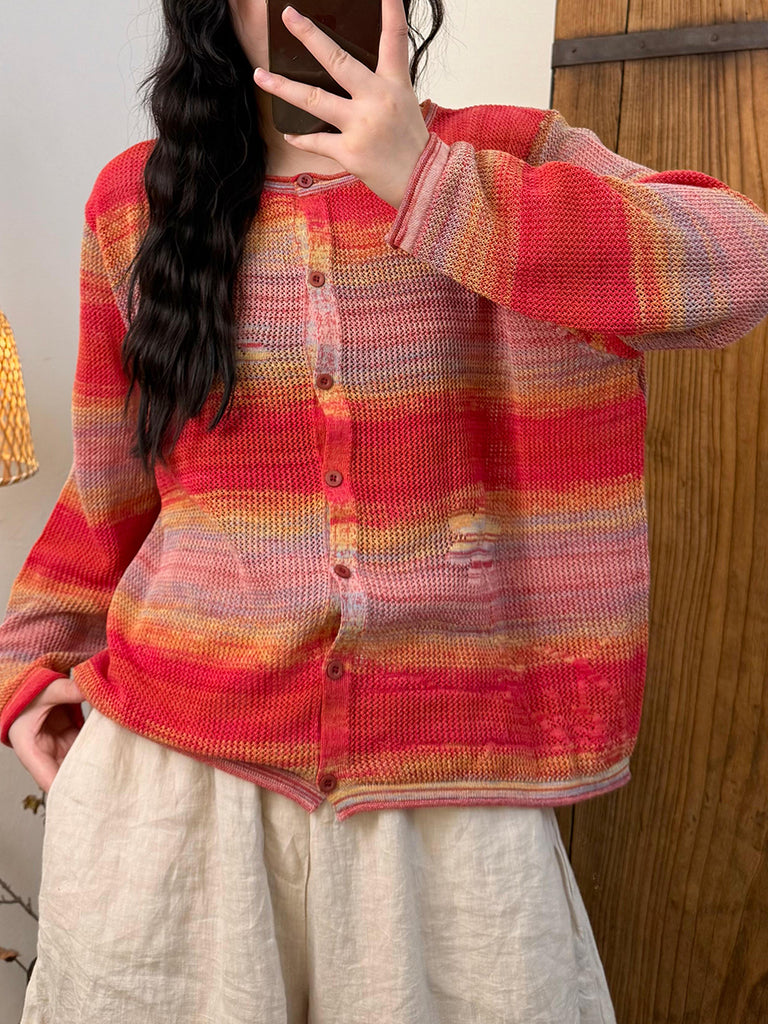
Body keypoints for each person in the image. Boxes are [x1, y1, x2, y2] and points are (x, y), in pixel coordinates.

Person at [4, 1, 768, 1021]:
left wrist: (430, 183)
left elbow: (740, 266)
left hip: (454, 794)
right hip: (172, 790)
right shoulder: (137, 203)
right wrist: (28, 663)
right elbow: (110, 490)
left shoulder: (503, 155)